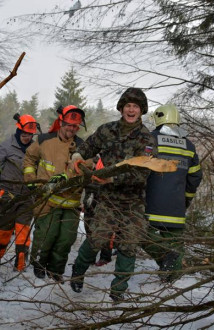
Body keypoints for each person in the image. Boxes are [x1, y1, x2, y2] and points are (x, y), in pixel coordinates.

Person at [69, 87, 157, 302]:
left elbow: (143, 172)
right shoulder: (106, 130)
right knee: (97, 239)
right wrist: (77, 156)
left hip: (133, 201)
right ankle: (78, 272)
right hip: (107, 198)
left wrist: (114, 178)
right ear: (121, 108)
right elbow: (88, 147)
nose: (131, 110)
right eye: (128, 105)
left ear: (141, 110)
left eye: (135, 106)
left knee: (128, 243)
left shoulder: (146, 139)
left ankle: (118, 291)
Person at [23, 105, 86, 282]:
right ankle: (39, 265)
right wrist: (31, 180)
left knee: (65, 240)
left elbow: (88, 169)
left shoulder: (82, 147)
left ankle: (56, 269)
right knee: (46, 236)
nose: (71, 129)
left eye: (75, 126)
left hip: (71, 203)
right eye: (68, 125)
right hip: (47, 199)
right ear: (61, 122)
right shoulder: (44, 140)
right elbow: (29, 158)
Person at [142, 104, 202, 282]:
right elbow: (195, 177)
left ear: (157, 118)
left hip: (151, 204)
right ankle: (172, 280)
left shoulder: (149, 140)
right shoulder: (189, 146)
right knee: (176, 244)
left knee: (142, 235)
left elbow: (140, 170)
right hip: (176, 208)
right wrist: (185, 200)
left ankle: (163, 257)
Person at [0, 113, 40, 272]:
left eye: (30, 135)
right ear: (18, 132)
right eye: (24, 134)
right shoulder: (5, 147)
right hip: (6, 196)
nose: (26, 137)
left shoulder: (35, 149)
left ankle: (20, 265)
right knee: (3, 231)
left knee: (23, 231)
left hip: (26, 197)